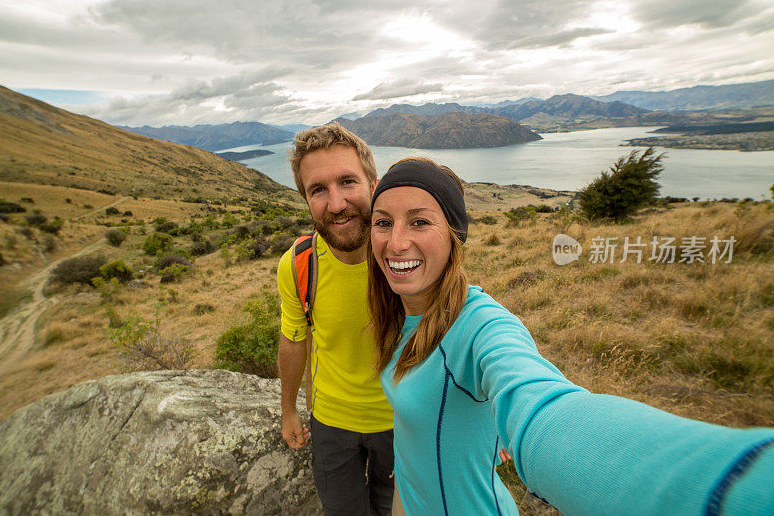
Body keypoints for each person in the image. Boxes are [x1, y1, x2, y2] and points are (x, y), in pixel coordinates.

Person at [367, 157, 774, 515]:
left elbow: (542, 405)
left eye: (419, 221)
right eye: (383, 222)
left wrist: (732, 485)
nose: (396, 241)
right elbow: (416, 441)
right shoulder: (396, 318)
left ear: (454, 237)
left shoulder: (480, 324)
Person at [277, 123, 394, 515]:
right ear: (305, 199)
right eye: (318, 190)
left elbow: (453, 328)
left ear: (373, 184)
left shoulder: (405, 255)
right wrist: (289, 408)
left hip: (403, 421)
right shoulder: (298, 265)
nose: (337, 203)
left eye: (347, 182)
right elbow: (294, 339)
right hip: (330, 423)